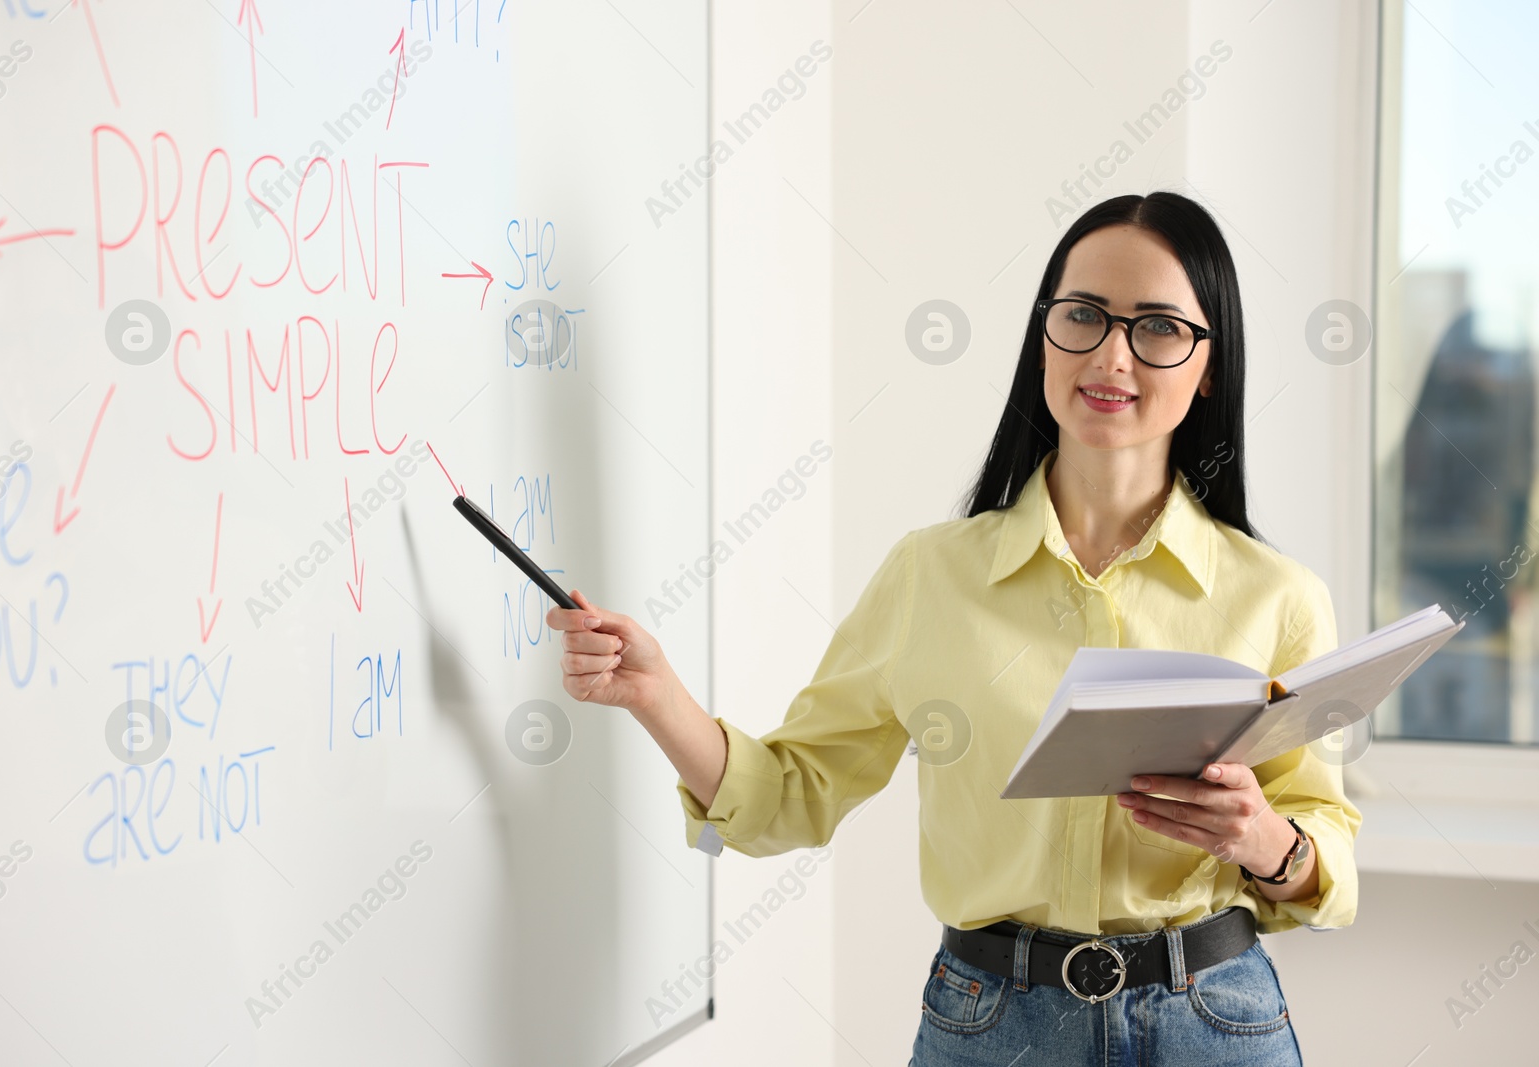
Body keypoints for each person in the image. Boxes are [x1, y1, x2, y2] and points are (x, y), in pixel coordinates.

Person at [545, 191, 1358, 1066]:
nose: (1112, 353)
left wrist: (1261, 839)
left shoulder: (1279, 596)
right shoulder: (930, 576)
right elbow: (789, 797)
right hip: (992, 1027)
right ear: (1043, 337)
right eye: (1082, 315)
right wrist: (658, 696)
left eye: (1158, 326)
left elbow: (1327, 864)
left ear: (1208, 367)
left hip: (1216, 1024)